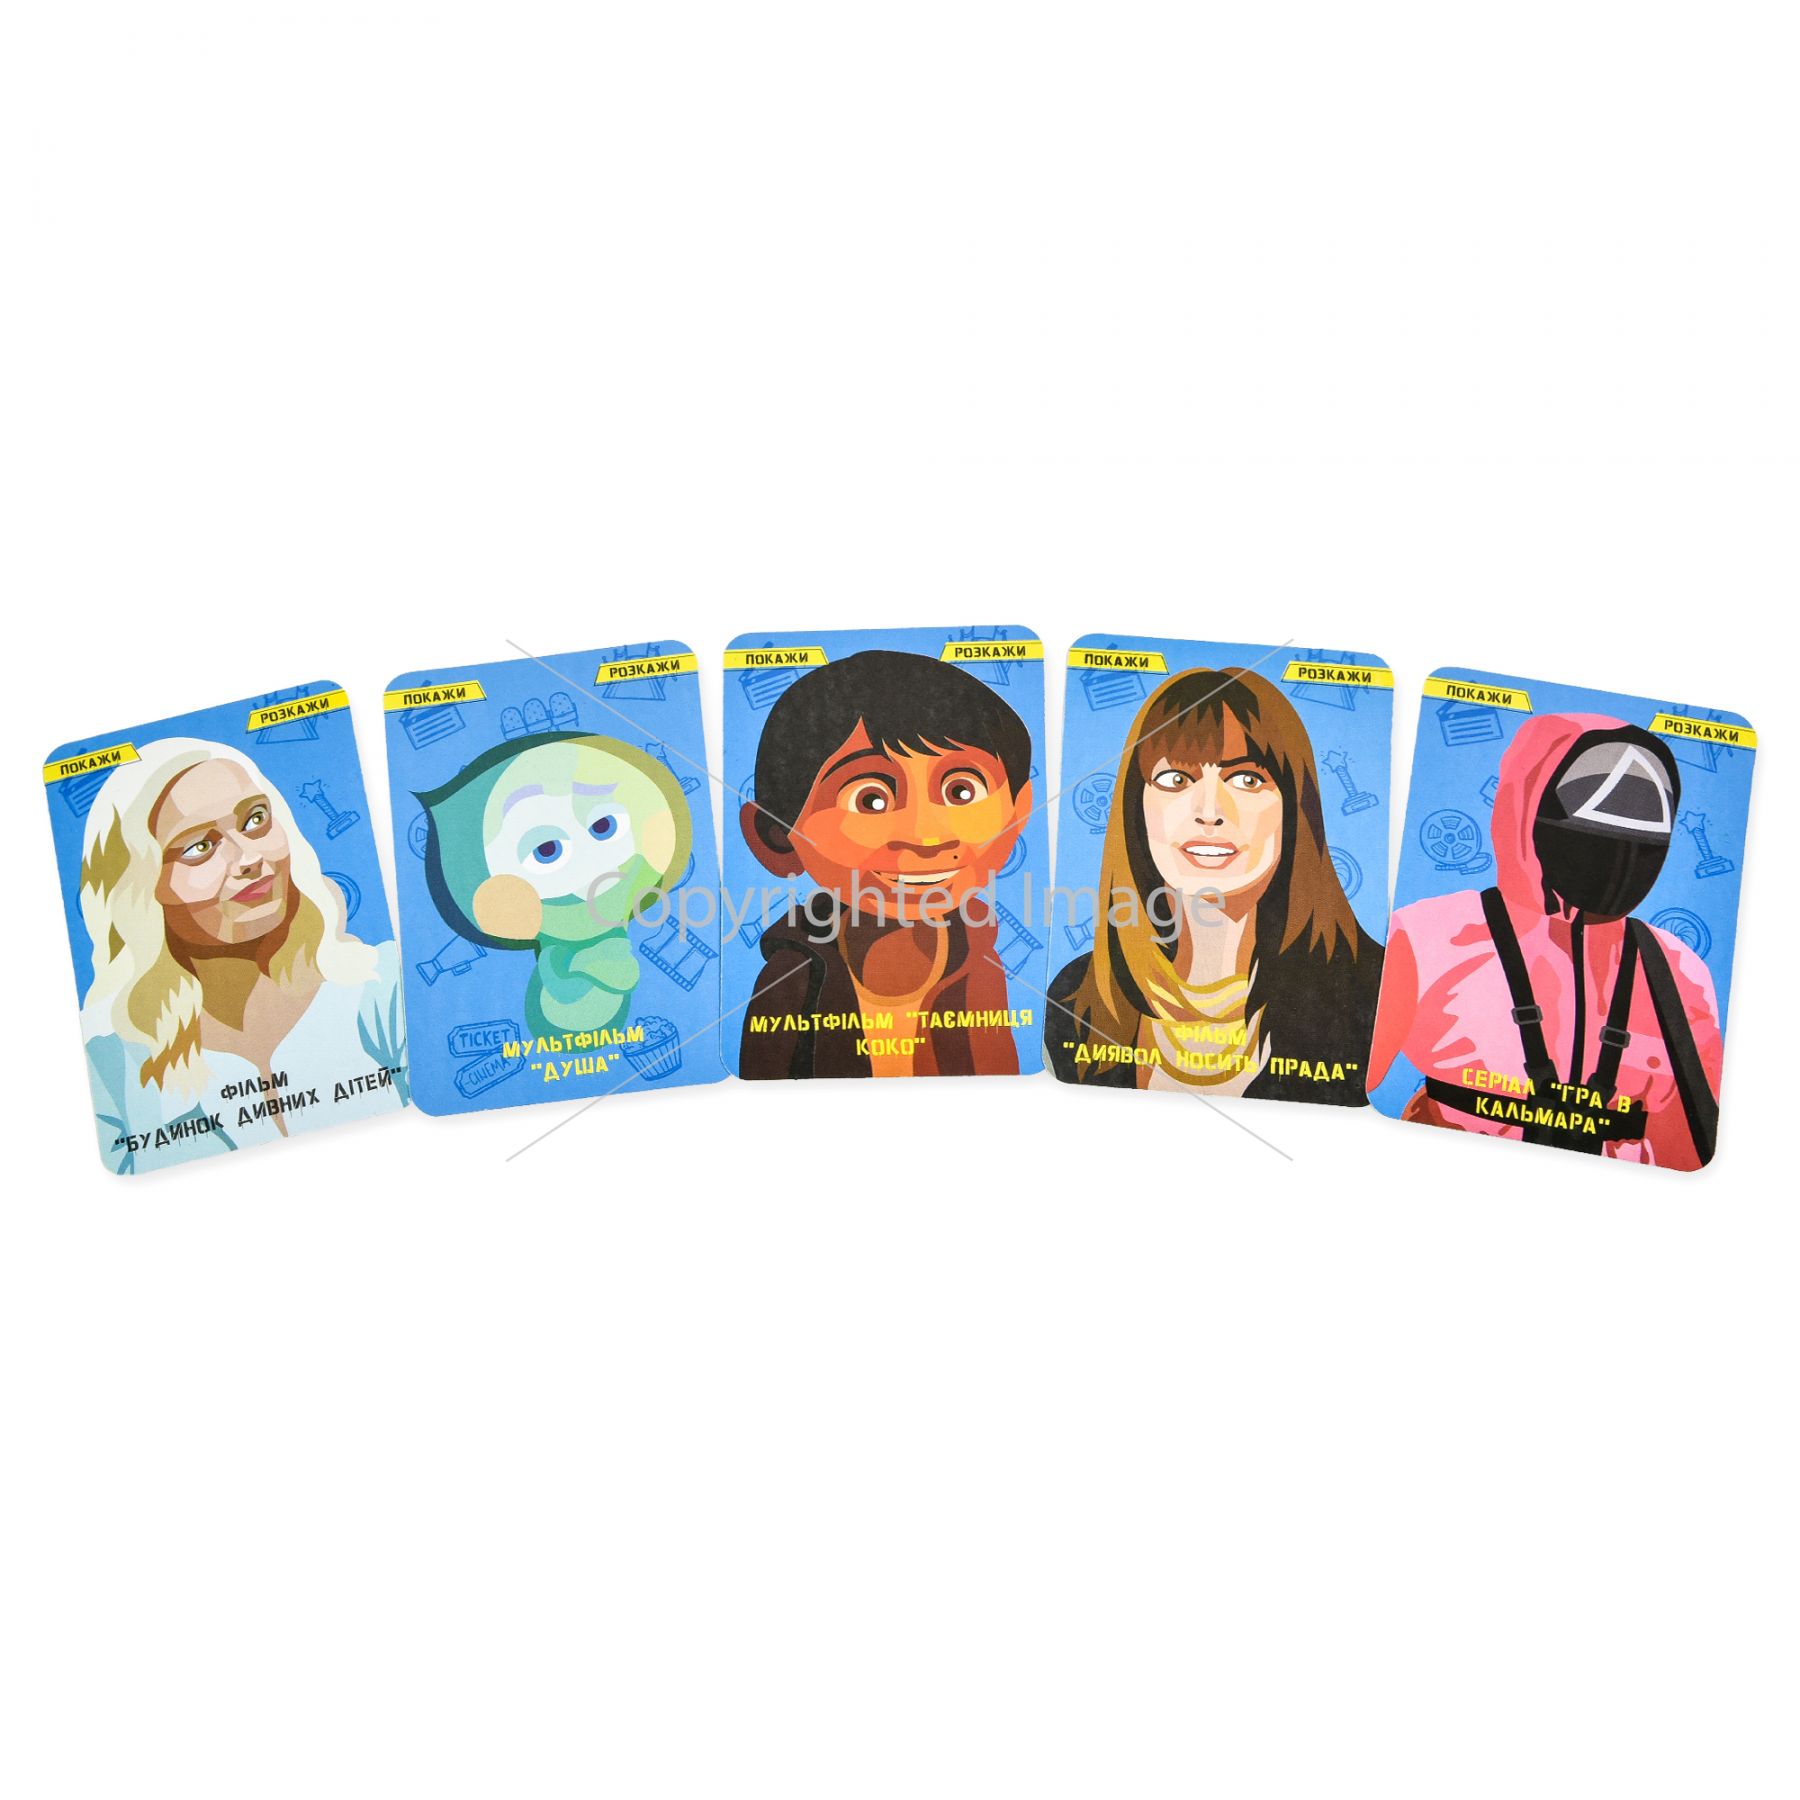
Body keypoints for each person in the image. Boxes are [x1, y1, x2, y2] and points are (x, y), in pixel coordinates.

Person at [1368, 711, 1723, 1167]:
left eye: (1646, 815)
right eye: (1595, 801)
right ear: (1526, 805)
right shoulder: (1424, 936)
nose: (1621, 833)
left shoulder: (1677, 969)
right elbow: (1344, 1091)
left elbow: (1691, 1142)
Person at [1047, 668, 1381, 1104]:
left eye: (1246, 780)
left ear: (1295, 807)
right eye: (1175, 780)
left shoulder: (1375, 991)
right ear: (1136, 807)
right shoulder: (1074, 996)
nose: (1208, 811)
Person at [78, 738, 406, 1172]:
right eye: (199, 846)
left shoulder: (382, 985)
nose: (248, 858)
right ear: (138, 890)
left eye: (255, 819)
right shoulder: (111, 1067)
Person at [738, 650, 1033, 1078]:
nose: (926, 836)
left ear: (1018, 813)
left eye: (961, 791)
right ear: (777, 837)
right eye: (870, 799)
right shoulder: (791, 980)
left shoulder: (979, 961)